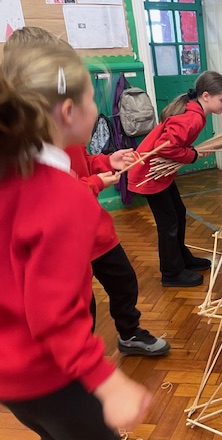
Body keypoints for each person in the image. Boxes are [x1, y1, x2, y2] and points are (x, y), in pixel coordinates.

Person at [0, 45, 151, 439]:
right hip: (48, 373)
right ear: (69, 113)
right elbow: (52, 313)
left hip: (10, 376)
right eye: (91, 100)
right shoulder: (64, 197)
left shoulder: (13, 169)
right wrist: (106, 379)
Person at [3, 26, 169, 356]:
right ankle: (78, 358)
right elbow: (51, 196)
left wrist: (106, 160)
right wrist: (94, 184)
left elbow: (82, 159)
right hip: (66, 237)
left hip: (94, 227)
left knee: (123, 280)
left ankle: (129, 333)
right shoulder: (29, 145)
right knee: (82, 304)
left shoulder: (64, 129)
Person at [128, 71, 222, 287]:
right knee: (168, 223)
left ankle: (182, 259)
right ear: (205, 96)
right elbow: (163, 147)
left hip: (159, 172)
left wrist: (189, 151)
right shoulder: (192, 118)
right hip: (149, 173)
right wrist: (192, 155)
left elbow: (173, 144)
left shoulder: (194, 112)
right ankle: (171, 272)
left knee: (178, 213)